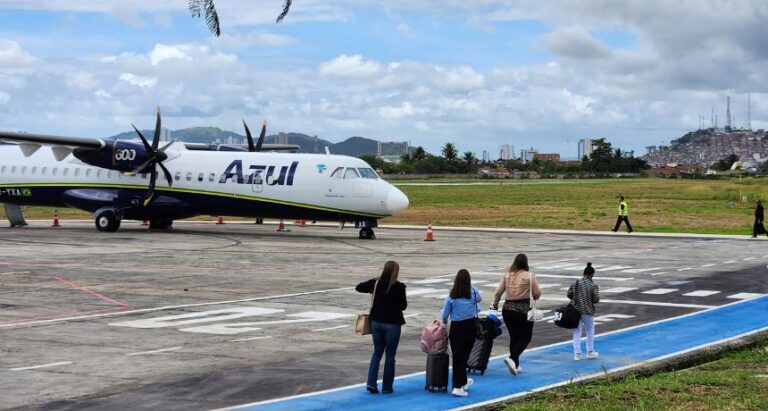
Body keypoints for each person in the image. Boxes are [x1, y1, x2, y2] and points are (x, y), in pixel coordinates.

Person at [355, 261, 407, 394]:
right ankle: (387, 386)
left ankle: (371, 383)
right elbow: (403, 306)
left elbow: (359, 287)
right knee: (390, 355)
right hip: (392, 324)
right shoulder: (399, 287)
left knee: (377, 352)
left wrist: (374, 281)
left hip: (376, 322)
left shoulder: (376, 283)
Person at [492, 254, 541, 375]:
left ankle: (516, 365)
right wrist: (534, 296)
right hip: (522, 310)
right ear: (526, 263)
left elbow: (498, 292)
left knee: (514, 337)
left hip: (507, 309)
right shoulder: (529, 276)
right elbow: (537, 293)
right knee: (525, 337)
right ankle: (512, 358)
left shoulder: (507, 274)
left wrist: (495, 304)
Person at [440, 269, 482, 397]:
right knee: (464, 357)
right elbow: (480, 299)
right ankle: (458, 385)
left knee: (458, 357)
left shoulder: (452, 295)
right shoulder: (473, 291)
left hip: (457, 327)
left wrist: (444, 322)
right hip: (470, 326)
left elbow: (445, 314)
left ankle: (460, 384)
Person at [568, 262, 600, 360]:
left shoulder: (575, 283)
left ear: (583, 273)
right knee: (590, 331)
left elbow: (569, 294)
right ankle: (590, 352)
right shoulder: (593, 286)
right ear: (592, 274)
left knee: (577, 332)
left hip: (576, 311)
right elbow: (596, 299)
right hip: (587, 311)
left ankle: (577, 354)